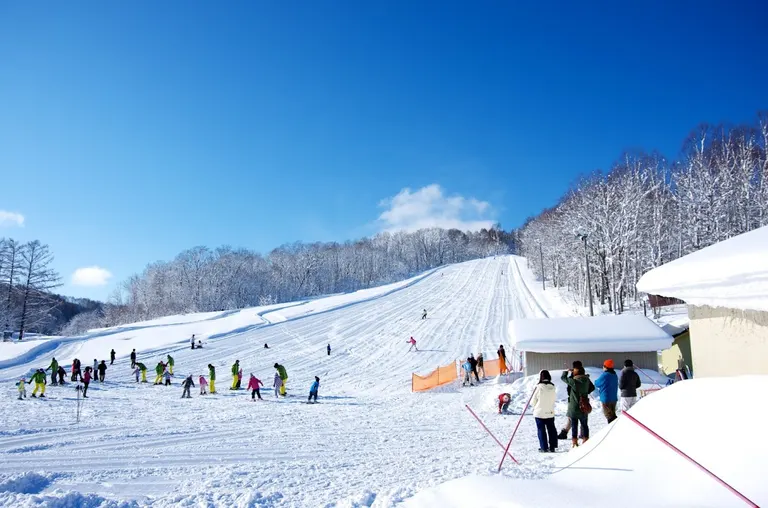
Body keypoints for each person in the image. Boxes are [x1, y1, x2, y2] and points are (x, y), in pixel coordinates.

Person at [557, 361, 595, 439]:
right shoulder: (586, 378)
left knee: (572, 420)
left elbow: (564, 379)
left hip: (573, 401)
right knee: (583, 421)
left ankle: (566, 434)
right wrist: (585, 391)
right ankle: (583, 436)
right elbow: (592, 387)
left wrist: (566, 372)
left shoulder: (574, 380)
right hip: (584, 402)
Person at [531, 370, 558, 452]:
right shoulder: (553, 387)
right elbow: (554, 399)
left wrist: (535, 406)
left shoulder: (538, 387)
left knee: (541, 430)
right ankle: (552, 446)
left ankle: (544, 447)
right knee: (551, 429)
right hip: (550, 412)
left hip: (539, 413)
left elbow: (533, 401)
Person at [594, 359, 619, 423]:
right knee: (613, 415)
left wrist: (595, 381)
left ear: (606, 367)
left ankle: (613, 429)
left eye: (603, 366)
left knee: (609, 416)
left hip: (606, 399)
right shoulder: (614, 375)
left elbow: (597, 383)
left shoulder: (605, 375)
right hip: (614, 398)